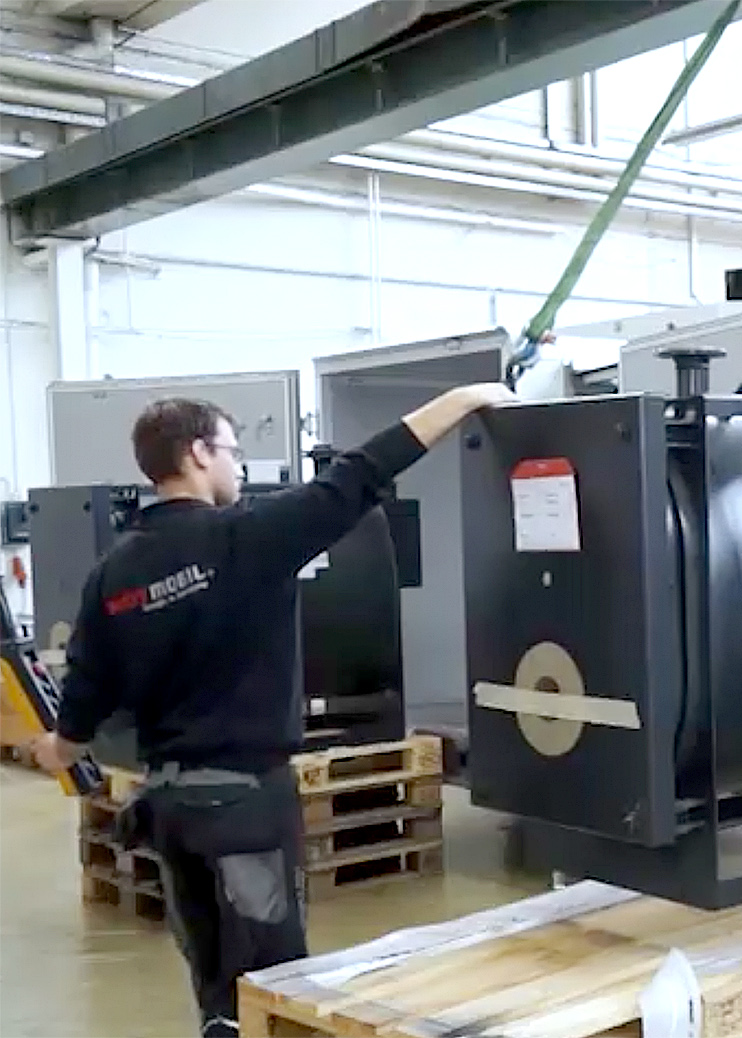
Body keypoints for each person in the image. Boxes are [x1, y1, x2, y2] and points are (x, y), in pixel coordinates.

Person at [32, 382, 516, 1038]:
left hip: (170, 815)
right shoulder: (252, 537)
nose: (237, 467)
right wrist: (461, 399)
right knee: (274, 987)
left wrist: (56, 749)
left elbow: (86, 696)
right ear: (198, 454)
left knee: (216, 988)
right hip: (245, 815)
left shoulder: (113, 575)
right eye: (232, 451)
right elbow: (362, 472)